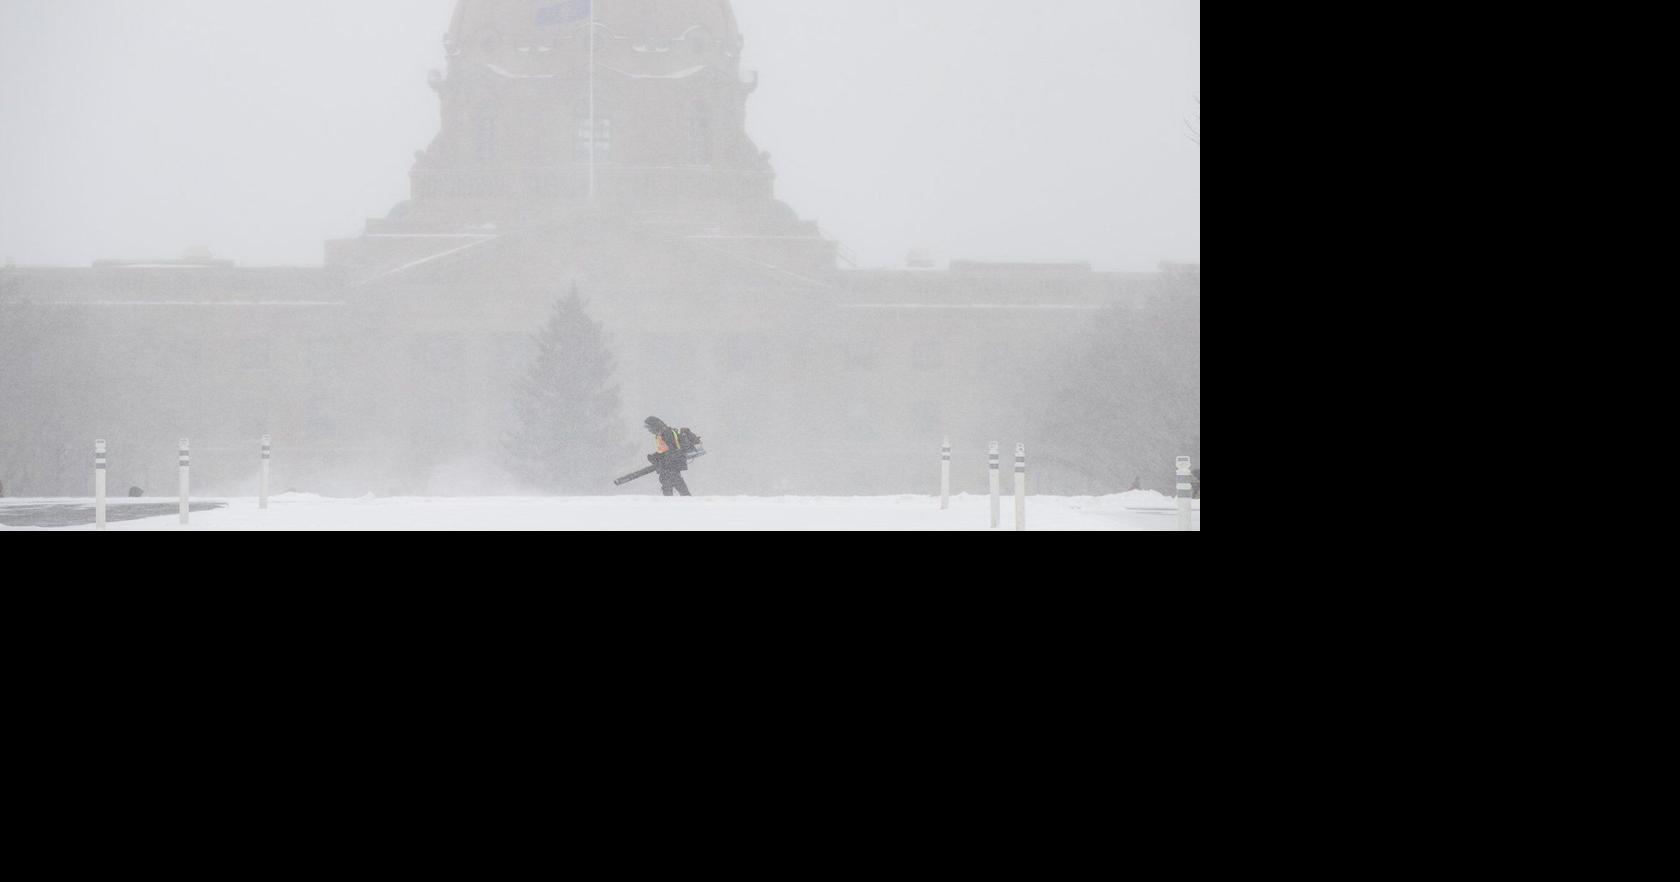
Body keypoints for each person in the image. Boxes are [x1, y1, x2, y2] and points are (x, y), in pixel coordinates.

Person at [644, 417, 693, 497]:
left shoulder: (666, 433)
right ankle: (685, 498)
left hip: (673, 462)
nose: (649, 430)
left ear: (655, 425)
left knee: (670, 481)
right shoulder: (661, 433)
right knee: (674, 481)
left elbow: (672, 450)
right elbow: (665, 450)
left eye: (649, 428)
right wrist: (655, 456)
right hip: (672, 462)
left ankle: (676, 499)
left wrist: (661, 460)